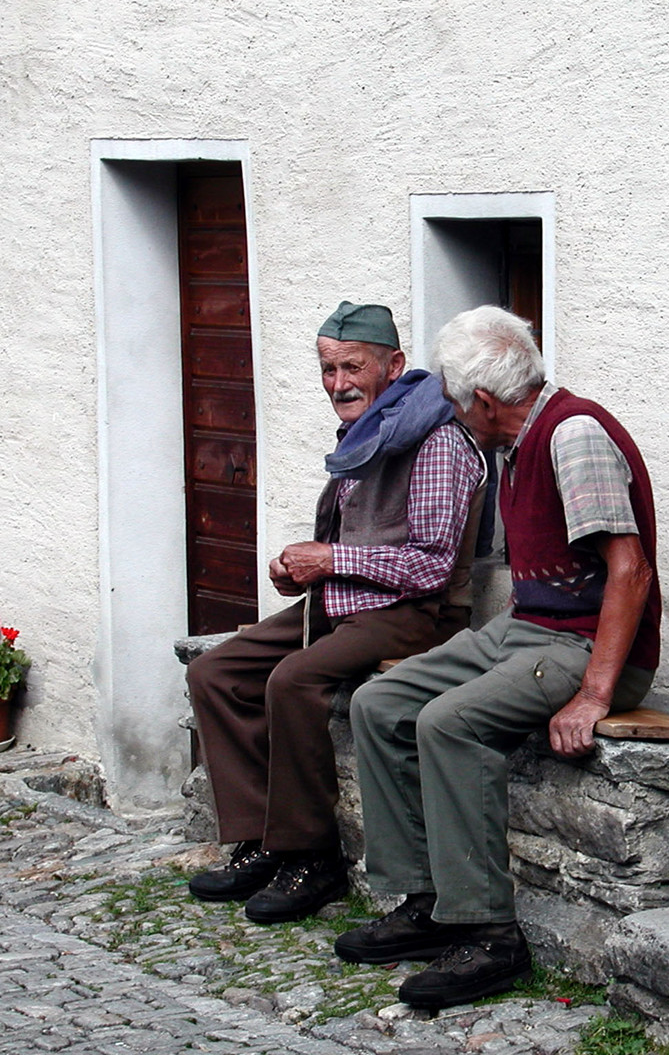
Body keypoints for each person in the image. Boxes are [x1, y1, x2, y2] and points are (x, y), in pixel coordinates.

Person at [334, 305, 662, 1008]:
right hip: (530, 630)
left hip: (587, 647)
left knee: (449, 722)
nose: (450, 412)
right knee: (380, 702)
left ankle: (488, 933)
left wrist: (597, 694)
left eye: (453, 399)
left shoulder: (572, 436)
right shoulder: (513, 446)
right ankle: (425, 899)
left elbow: (629, 572)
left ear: (481, 400)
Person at [186, 301, 486, 924]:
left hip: (415, 612)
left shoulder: (435, 441)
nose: (338, 383)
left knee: (294, 681)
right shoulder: (374, 428)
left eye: (352, 367)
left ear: (395, 364)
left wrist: (330, 559)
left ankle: (310, 857)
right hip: (343, 602)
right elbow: (349, 544)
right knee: (214, 673)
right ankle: (260, 839)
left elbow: (430, 565)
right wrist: (300, 567)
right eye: (328, 369)